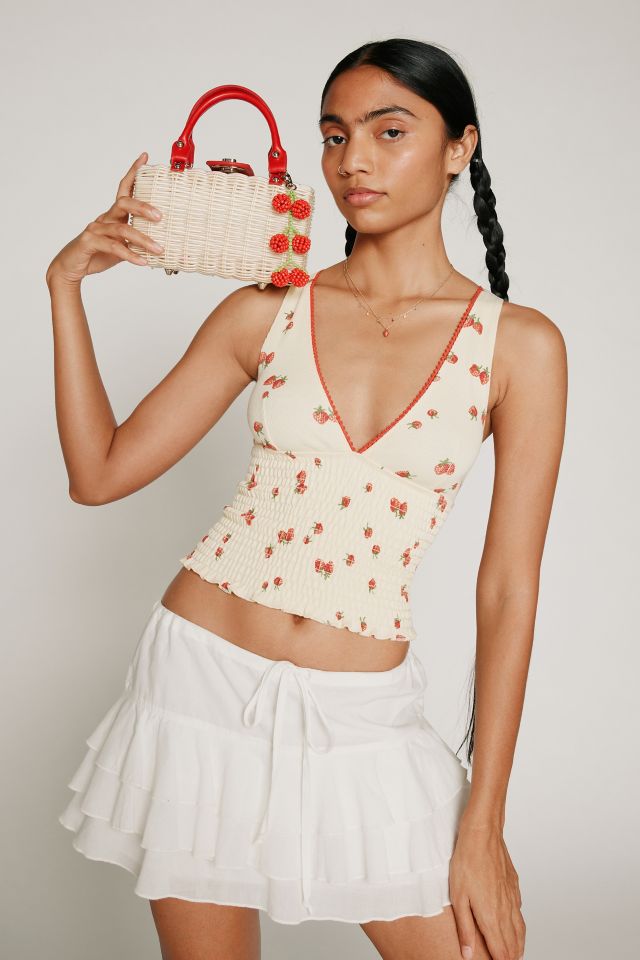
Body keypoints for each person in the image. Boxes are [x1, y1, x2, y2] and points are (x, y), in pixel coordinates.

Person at [48, 38, 566, 960]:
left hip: (360, 716)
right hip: (197, 684)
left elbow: (508, 590)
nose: (353, 160)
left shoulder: (520, 347)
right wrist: (65, 290)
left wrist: (483, 821)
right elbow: (99, 474)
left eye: (389, 131)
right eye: (334, 136)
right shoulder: (267, 311)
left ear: (460, 147)